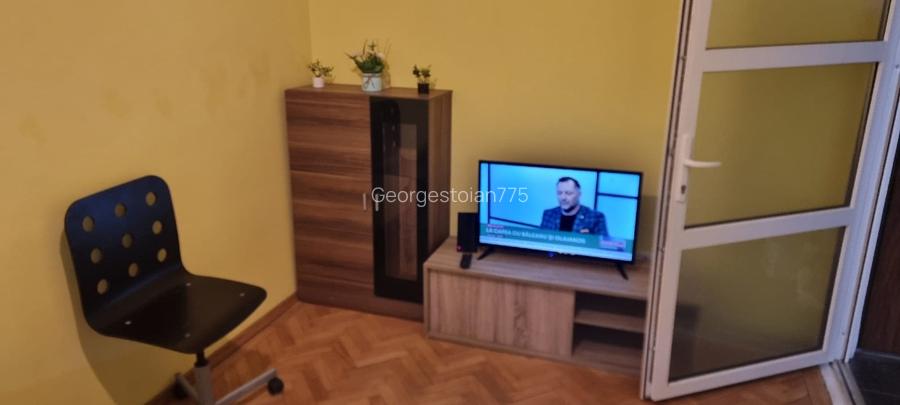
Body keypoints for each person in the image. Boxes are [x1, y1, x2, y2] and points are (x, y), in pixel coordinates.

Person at [540, 177, 608, 236]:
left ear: (579, 194)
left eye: (568, 193)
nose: (563, 198)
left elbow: (604, 244)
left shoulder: (596, 218)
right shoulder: (548, 214)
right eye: (559, 193)